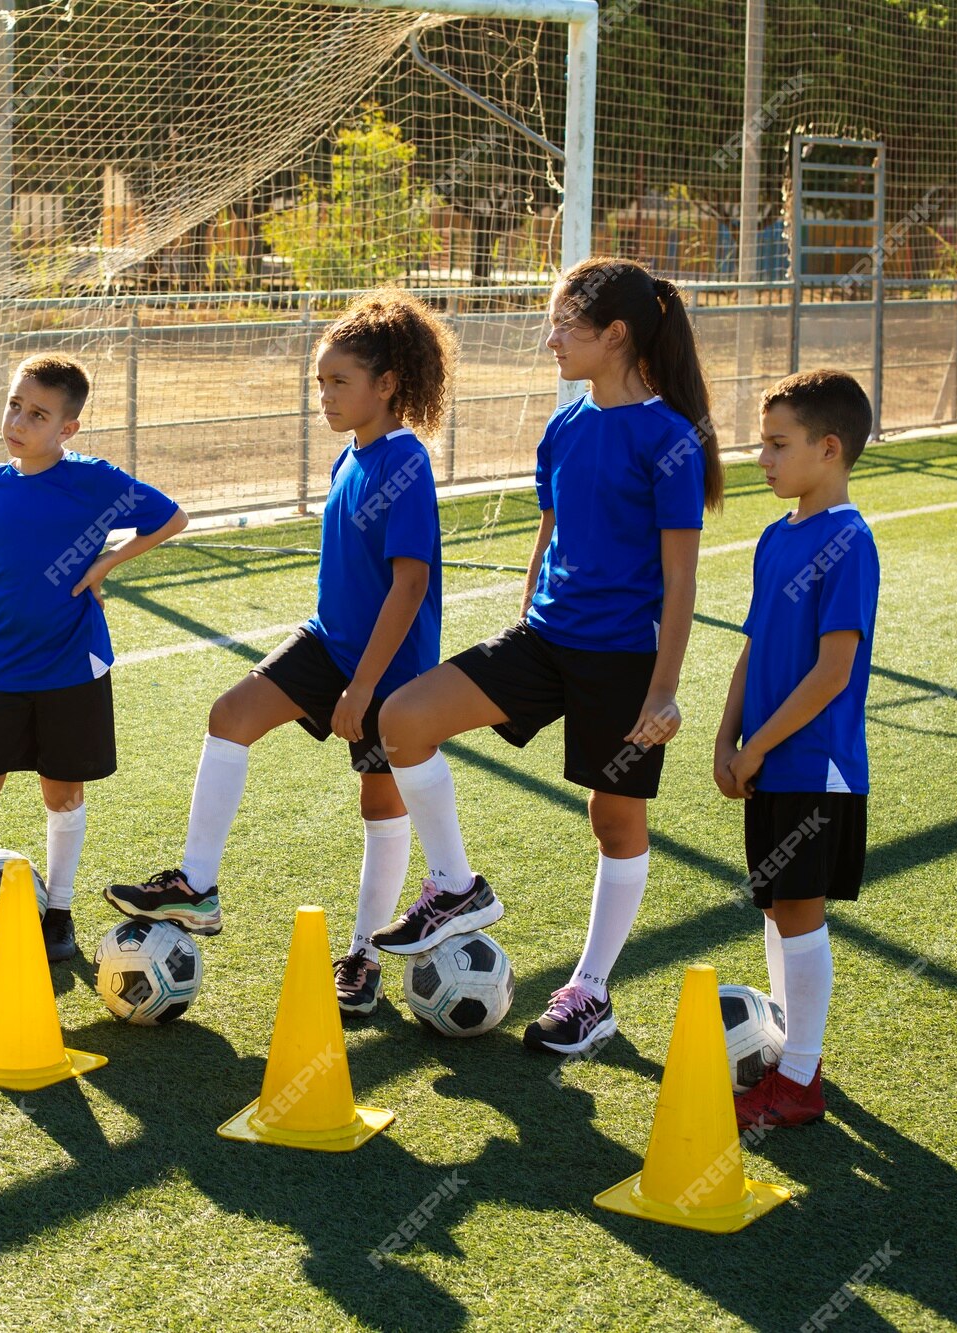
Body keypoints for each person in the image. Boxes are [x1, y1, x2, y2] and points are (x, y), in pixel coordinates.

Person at [374, 257, 722, 1056]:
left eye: (565, 324)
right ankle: (458, 886)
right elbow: (548, 534)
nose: (549, 338)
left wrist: (663, 691)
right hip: (544, 640)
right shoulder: (566, 425)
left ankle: (591, 990)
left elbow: (680, 578)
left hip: (625, 660)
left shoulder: (670, 437)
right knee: (404, 719)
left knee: (614, 816)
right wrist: (526, 613)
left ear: (616, 335)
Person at [103, 289, 455, 1017]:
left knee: (379, 801)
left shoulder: (406, 462)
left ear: (385, 385)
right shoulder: (346, 460)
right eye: (318, 382)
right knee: (230, 713)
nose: (324, 396)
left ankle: (362, 955)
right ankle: (197, 884)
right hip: (326, 642)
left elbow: (410, 582)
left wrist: (362, 689)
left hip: (387, 670)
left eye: (339, 382)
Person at [0, 354, 186, 963]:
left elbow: (172, 518)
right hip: (3, 664)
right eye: (15, 405)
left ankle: (58, 910)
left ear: (68, 429)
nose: (19, 421)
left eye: (38, 414)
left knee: (62, 791)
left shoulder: (94, 482)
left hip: (72, 663)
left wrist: (105, 564)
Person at [716, 368, 880, 1129]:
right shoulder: (774, 539)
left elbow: (832, 671)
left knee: (801, 912)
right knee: (779, 910)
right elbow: (754, 646)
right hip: (769, 759)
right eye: (763, 443)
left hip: (816, 766)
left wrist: (761, 747)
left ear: (830, 448)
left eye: (778, 444)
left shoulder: (850, 540)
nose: (763, 459)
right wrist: (728, 735)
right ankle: (792, 1050)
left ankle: (801, 1081)